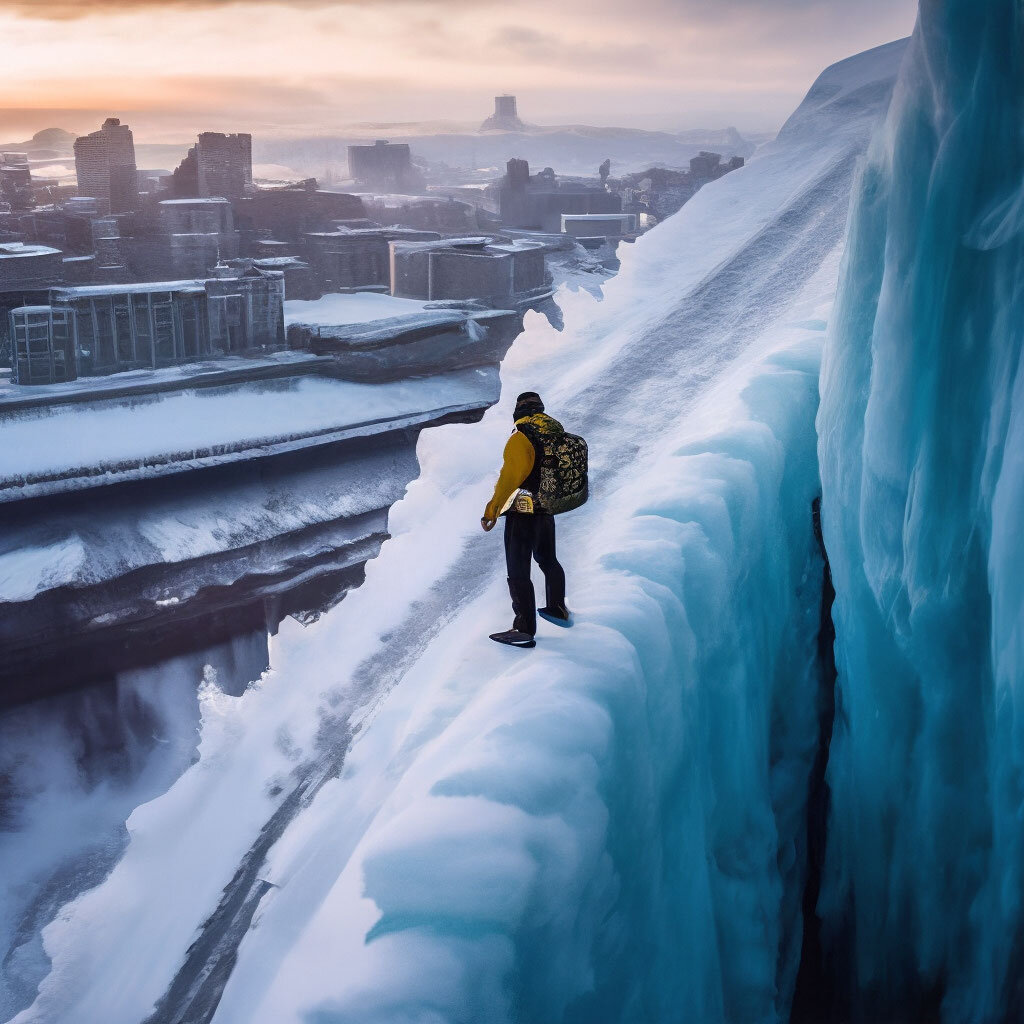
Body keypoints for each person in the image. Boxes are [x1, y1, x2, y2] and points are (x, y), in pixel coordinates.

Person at [481, 391, 572, 648]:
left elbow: (509, 479)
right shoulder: (555, 435)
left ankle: (524, 630)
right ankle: (557, 607)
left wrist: (492, 511)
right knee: (547, 559)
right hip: (546, 508)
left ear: (518, 412)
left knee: (518, 570)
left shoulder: (521, 438)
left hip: (523, 511)